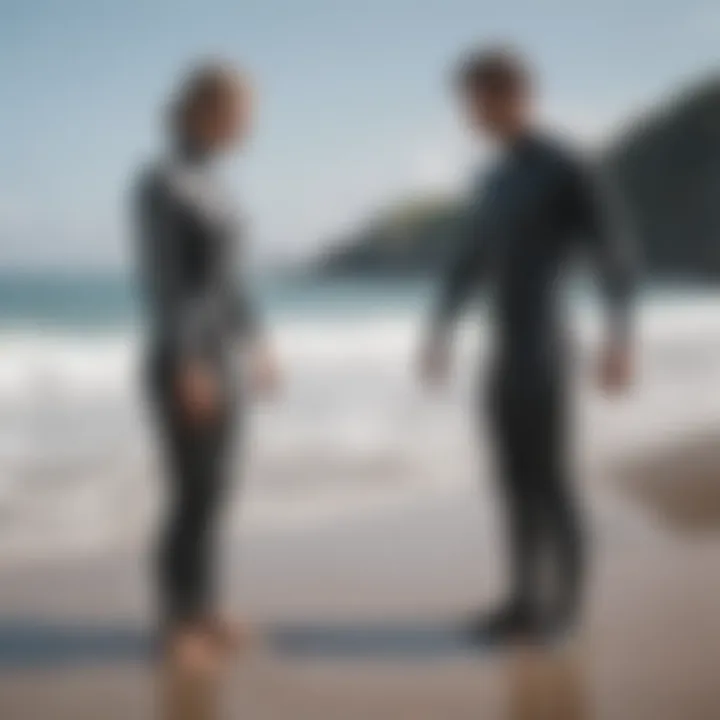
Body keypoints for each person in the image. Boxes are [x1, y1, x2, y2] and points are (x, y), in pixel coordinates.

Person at [419, 47, 636, 643]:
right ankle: (521, 601)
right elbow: (470, 260)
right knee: (511, 480)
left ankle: (565, 613)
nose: (468, 114)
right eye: (466, 102)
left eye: (475, 100)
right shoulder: (492, 177)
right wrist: (440, 327)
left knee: (552, 481)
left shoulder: (567, 165)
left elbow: (612, 253)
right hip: (502, 353)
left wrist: (620, 337)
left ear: (513, 93)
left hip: (546, 351)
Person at [134, 62, 279, 668]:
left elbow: (228, 281)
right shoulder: (162, 180)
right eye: (242, 110)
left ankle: (206, 607)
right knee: (189, 491)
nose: (250, 122)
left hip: (218, 354)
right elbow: (168, 284)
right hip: (183, 356)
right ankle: (177, 621)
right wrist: (188, 362)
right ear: (205, 109)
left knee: (215, 490)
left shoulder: (214, 182)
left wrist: (257, 341)